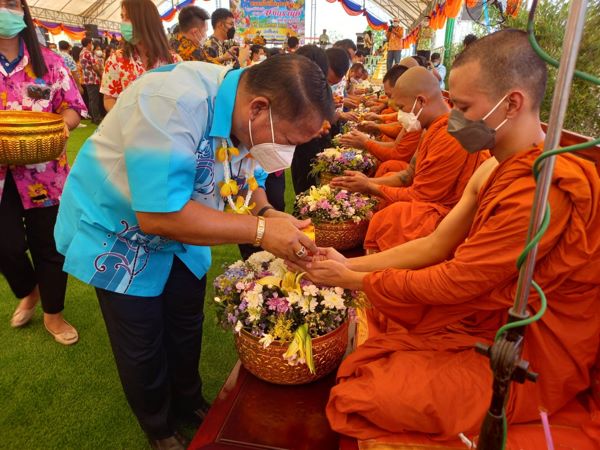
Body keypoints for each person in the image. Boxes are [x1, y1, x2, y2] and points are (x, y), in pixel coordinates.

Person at [293, 29, 600, 446]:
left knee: (364, 393)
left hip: (532, 350)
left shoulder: (544, 188)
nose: (453, 116)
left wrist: (353, 280)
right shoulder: (493, 166)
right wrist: (348, 264)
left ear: (512, 103)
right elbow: (437, 244)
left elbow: (457, 279)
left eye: (464, 106)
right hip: (482, 316)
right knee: (374, 366)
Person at [55, 55, 334, 449]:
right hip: (121, 232)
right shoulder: (172, 101)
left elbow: (247, 169)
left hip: (187, 234)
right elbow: (159, 215)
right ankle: (159, 427)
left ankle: (188, 402)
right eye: (289, 141)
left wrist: (268, 211)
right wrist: (259, 230)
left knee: (186, 322)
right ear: (259, 108)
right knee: (142, 340)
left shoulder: (244, 107)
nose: (287, 154)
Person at [0, 0, 86, 344]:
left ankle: (53, 313)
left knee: (49, 246)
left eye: (8, 3)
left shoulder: (49, 63)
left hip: (44, 173)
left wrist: (60, 128)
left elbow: (74, 109)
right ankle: (29, 290)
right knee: (6, 246)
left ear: (21, 9)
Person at [332, 66, 489, 252]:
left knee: (392, 217)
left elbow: (420, 195)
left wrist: (370, 185)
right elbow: (408, 174)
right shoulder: (429, 126)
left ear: (421, 101)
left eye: (401, 107)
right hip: (429, 199)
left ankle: (376, 269)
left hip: (452, 216)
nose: (398, 114)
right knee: (389, 172)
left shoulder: (450, 134)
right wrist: (367, 182)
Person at [101, 0, 182, 112]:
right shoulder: (116, 60)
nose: (123, 23)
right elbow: (109, 98)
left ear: (146, 21)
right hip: (128, 127)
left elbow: (180, 98)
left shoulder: (174, 61)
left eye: (128, 17)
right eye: (122, 17)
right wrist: (121, 117)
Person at [291, 46, 352, 194]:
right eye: (327, 80)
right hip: (303, 147)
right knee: (305, 186)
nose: (326, 84)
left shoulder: (319, 86)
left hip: (315, 140)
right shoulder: (299, 86)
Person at [80, 37, 102, 124]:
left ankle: (93, 118)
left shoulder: (81, 53)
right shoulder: (88, 53)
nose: (92, 45)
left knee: (91, 99)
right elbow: (94, 66)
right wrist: (100, 74)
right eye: (91, 43)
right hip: (92, 78)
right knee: (94, 100)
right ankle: (96, 118)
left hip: (87, 78)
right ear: (89, 43)